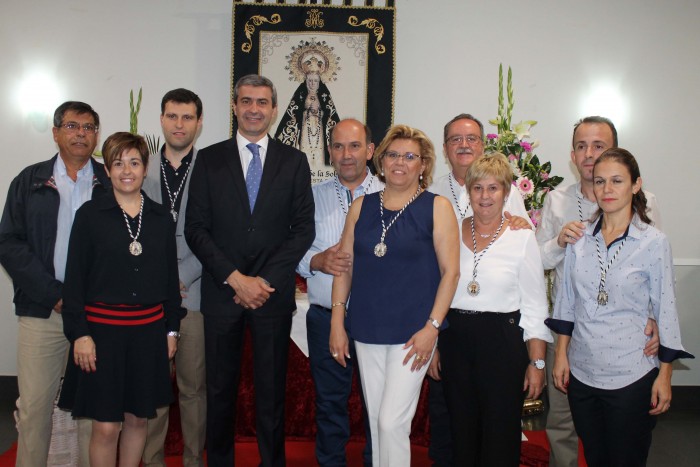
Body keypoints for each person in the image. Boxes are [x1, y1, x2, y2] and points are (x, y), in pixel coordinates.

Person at [185, 74, 315, 466]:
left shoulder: (294, 162)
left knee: (271, 393)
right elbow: (196, 228)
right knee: (220, 390)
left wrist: (264, 281)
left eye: (262, 102)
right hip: (223, 293)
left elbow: (302, 229)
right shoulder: (208, 158)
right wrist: (235, 278)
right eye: (246, 101)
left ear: (274, 109)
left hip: (271, 296)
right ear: (235, 106)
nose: (254, 109)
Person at [548, 148, 693, 466]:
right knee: (596, 457)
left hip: (632, 374)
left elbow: (665, 307)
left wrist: (665, 375)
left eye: (617, 181)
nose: (607, 189)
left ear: (636, 185)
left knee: (626, 459)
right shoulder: (579, 237)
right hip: (583, 373)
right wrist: (561, 355)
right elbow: (567, 301)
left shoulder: (652, 242)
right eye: (600, 181)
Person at [330, 124, 460, 466]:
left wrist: (432, 327)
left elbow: (451, 273)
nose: (400, 162)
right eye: (393, 154)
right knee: (377, 423)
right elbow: (344, 267)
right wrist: (337, 322)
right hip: (366, 328)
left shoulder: (438, 207)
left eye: (410, 156)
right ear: (381, 160)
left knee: (392, 422)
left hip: (414, 333)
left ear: (423, 164)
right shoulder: (361, 207)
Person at [535, 116, 661, 467]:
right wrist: (560, 242)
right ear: (572, 156)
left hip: (624, 337)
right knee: (562, 422)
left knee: (621, 431)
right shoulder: (557, 200)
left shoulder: (645, 202)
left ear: (616, 150)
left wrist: (657, 320)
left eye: (598, 145)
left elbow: (657, 271)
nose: (589, 154)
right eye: (581, 146)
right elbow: (538, 259)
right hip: (569, 331)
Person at [58, 132, 185, 466]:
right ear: (109, 170)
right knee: (105, 426)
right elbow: (74, 282)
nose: (126, 170)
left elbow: (170, 283)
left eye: (134, 162)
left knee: (138, 419)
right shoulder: (90, 215)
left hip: (148, 335)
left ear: (145, 169)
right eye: (117, 163)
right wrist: (80, 334)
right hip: (101, 337)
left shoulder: (159, 218)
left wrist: (172, 331)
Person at [0, 101, 108, 467]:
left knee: (92, 413)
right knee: (33, 410)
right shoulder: (29, 181)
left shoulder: (110, 182)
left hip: (95, 316)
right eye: (73, 125)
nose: (81, 133)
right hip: (43, 312)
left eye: (89, 126)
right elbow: (9, 244)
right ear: (56, 131)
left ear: (97, 134)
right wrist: (56, 295)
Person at [427, 113, 531, 466]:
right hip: (454, 330)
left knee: (498, 429)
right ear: (445, 149)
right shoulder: (431, 192)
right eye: (455, 139)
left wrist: (537, 361)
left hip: (500, 335)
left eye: (471, 138)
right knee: (456, 426)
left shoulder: (515, 213)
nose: (463, 145)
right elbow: (433, 274)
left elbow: (531, 288)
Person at [435, 153, 551, 466]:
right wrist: (434, 346)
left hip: (502, 342)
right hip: (454, 339)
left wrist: (537, 362)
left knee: (500, 434)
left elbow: (535, 305)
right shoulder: (449, 231)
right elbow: (436, 292)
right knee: (460, 431)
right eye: (478, 188)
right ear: (468, 191)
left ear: (506, 192)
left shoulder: (522, 237)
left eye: (493, 188)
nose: (485, 196)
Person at [297, 118, 381, 466]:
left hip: (377, 319)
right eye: (338, 146)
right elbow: (290, 250)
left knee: (378, 404)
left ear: (371, 150)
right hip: (324, 318)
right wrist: (316, 260)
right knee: (330, 403)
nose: (346, 155)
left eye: (355, 146)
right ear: (329, 151)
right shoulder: (309, 198)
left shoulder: (391, 196)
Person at [142, 88, 205, 467]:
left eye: (187, 117)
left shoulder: (213, 168)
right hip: (147, 296)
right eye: (172, 116)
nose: (179, 124)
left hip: (192, 295)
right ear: (162, 119)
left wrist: (179, 276)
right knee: (153, 388)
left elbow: (217, 233)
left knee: (193, 388)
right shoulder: (141, 165)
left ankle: (194, 460)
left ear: (199, 122)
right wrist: (158, 280)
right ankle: (151, 460)